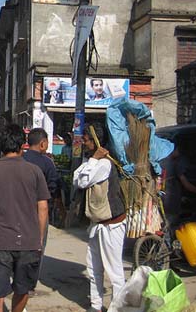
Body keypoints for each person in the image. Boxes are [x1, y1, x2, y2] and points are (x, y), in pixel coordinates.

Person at [0, 124, 49, 312]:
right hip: (29, 242)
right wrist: (38, 238)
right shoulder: (34, 171)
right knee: (23, 290)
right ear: (22, 145)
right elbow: (43, 207)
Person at [73, 124, 126, 312]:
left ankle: (117, 307)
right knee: (94, 268)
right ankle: (96, 305)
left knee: (114, 270)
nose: (84, 143)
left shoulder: (103, 164)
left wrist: (94, 160)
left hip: (111, 225)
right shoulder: (92, 161)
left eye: (86, 140)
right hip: (97, 223)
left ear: (94, 142)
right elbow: (76, 177)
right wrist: (91, 160)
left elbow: (83, 181)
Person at [161, 144, 196, 229]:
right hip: (171, 201)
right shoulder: (174, 164)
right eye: (178, 150)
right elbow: (186, 184)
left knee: (164, 225)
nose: (180, 153)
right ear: (174, 150)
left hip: (162, 200)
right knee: (170, 226)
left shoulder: (161, 162)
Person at [23, 128, 62, 200]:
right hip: (41, 205)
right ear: (42, 143)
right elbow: (53, 187)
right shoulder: (47, 162)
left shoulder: (20, 159)